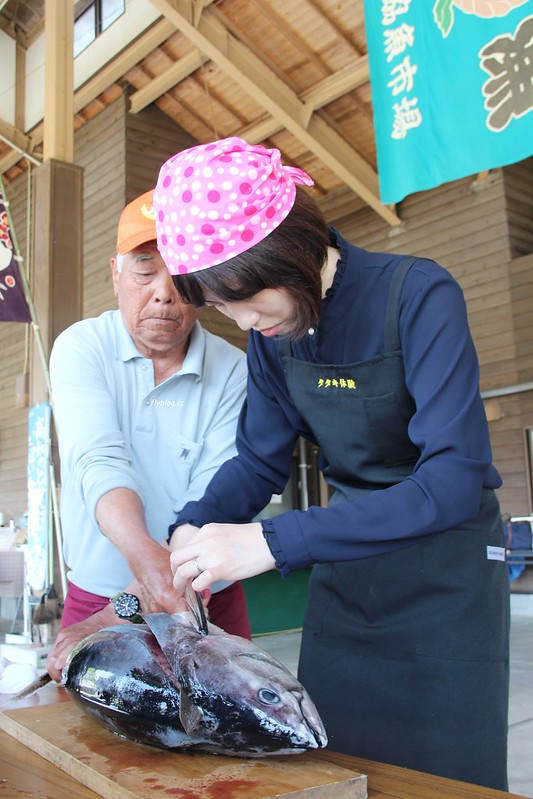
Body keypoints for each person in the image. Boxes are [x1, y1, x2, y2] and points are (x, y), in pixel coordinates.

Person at [155, 137, 510, 789]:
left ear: (289, 252)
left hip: (446, 573)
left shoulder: (417, 295)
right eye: (221, 307)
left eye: (245, 297)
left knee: (446, 774)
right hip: (349, 571)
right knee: (336, 762)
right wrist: (193, 524)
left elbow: (452, 480)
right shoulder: (273, 338)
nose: (243, 322)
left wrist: (272, 540)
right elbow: (256, 463)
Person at [46, 189, 250, 680]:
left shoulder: (235, 369)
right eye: (144, 270)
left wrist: (156, 586)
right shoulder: (81, 347)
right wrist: (144, 567)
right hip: (99, 597)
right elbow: (98, 459)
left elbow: (219, 489)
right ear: (115, 273)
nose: (163, 293)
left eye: (181, 274)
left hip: (207, 595)